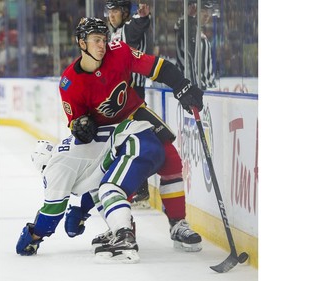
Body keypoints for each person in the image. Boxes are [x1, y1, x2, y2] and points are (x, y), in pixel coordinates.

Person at [59, 17, 204, 256]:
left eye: (103, 39)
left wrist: (182, 86)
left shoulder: (120, 51)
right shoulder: (69, 83)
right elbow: (75, 123)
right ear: (81, 43)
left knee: (171, 160)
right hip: (107, 132)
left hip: (136, 115)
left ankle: (178, 224)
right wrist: (81, 126)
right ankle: (121, 227)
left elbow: (159, 67)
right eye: (95, 40)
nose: (102, 45)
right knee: (111, 180)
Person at [16, 118, 165, 264]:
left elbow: (53, 210)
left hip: (135, 143)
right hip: (141, 141)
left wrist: (34, 235)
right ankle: (119, 230)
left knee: (110, 189)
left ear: (43, 165)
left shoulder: (55, 166)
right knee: (102, 189)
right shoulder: (67, 155)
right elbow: (94, 183)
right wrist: (82, 210)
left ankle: (124, 237)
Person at [104, 0, 151, 207]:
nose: (111, 15)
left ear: (124, 13)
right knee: (124, 141)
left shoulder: (129, 28)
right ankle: (134, 188)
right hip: (120, 96)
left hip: (133, 95)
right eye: (109, 11)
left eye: (115, 11)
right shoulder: (115, 33)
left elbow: (139, 25)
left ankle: (140, 189)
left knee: (135, 141)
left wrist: (142, 15)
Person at [174, 0, 216, 90]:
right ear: (193, 8)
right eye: (203, 10)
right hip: (190, 86)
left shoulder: (197, 29)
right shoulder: (182, 25)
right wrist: (190, 17)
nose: (207, 15)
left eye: (209, 11)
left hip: (206, 84)